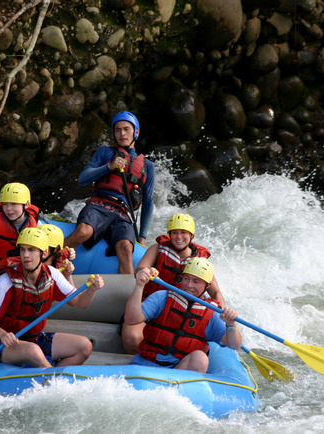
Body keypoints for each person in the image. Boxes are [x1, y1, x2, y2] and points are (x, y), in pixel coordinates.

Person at [0, 227, 104, 368]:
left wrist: (92, 290)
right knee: (33, 351)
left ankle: (49, 378)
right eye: (23, 250)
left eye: (31, 250)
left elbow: (80, 302)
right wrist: (2, 334)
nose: (26, 255)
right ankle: (54, 382)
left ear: (43, 253)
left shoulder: (53, 274)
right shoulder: (5, 282)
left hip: (32, 338)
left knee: (84, 346)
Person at [63, 111, 155, 275]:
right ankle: (47, 260)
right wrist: (109, 167)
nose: (122, 134)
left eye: (126, 129)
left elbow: (148, 202)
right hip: (99, 203)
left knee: (126, 248)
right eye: (118, 130)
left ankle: (123, 297)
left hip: (123, 212)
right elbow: (82, 179)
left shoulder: (147, 166)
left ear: (137, 132)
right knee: (84, 231)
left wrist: (142, 238)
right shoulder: (105, 152)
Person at [121, 213, 225, 353]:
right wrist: (147, 271)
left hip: (177, 315)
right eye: (174, 233)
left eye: (183, 232)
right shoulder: (157, 249)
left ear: (191, 235)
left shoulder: (199, 261)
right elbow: (140, 269)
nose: (179, 237)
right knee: (132, 338)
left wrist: (220, 314)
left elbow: (216, 292)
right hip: (149, 306)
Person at [124, 257, 241, 373]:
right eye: (186, 278)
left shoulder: (212, 312)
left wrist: (231, 324)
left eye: (196, 281)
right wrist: (139, 286)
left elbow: (234, 345)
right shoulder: (162, 297)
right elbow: (131, 319)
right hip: (146, 364)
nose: (188, 285)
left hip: (178, 372)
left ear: (207, 286)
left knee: (200, 359)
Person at [0, 223, 76, 321]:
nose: (40, 247)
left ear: (54, 251)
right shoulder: (23, 264)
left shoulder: (60, 257)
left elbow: (72, 300)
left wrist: (68, 274)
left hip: (34, 295)